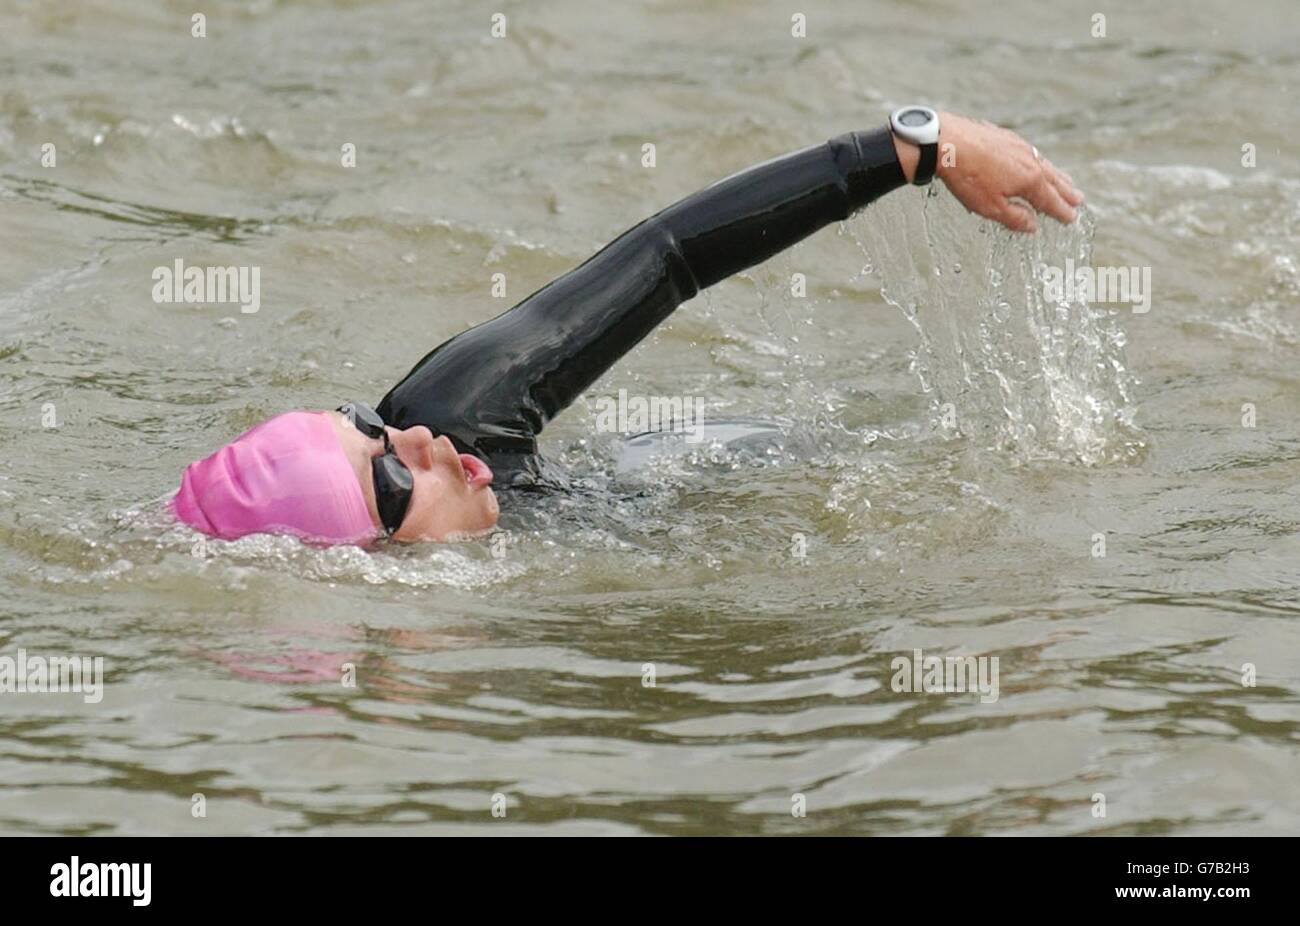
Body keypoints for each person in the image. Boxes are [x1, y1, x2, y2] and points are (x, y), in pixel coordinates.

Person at [172, 108, 1083, 545]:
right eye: (389, 478)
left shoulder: (452, 413)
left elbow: (669, 256)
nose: (418, 443)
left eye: (366, 423)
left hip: (762, 463)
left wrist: (915, 148)